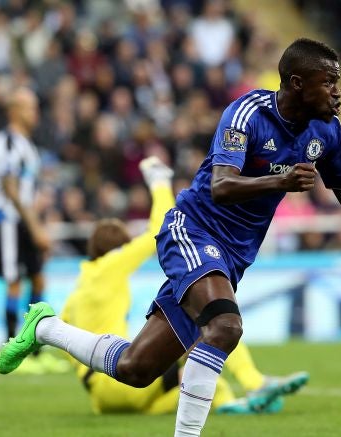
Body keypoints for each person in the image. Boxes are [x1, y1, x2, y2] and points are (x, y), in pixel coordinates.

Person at [0, 38, 341, 436]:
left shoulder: (327, 130)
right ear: (298, 83)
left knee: (137, 368)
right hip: (192, 229)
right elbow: (222, 185)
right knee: (225, 326)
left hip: (231, 256)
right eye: (328, 81)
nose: (338, 91)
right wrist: (280, 181)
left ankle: (45, 327)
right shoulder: (247, 113)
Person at [60, 156, 308, 415]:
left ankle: (230, 404)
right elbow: (157, 227)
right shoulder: (111, 264)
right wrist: (159, 182)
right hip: (120, 381)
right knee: (213, 321)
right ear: (118, 247)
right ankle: (253, 383)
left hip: (101, 397)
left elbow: (68, 335)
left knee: (184, 379)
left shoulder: (79, 287)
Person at [0, 87, 68, 374]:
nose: (35, 113)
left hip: (25, 220)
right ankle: (11, 349)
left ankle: (36, 351)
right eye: (29, 107)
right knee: (14, 281)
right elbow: (10, 188)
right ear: (14, 111)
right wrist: (35, 228)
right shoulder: (7, 142)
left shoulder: (25, 143)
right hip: (8, 220)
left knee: (38, 278)